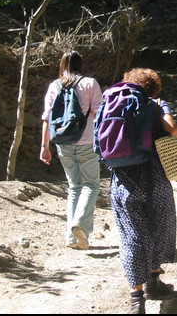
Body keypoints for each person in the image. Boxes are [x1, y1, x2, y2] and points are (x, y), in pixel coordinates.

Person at [108, 68, 177, 314]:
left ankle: (136, 299)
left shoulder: (113, 102)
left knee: (131, 235)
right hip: (154, 176)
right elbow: (172, 130)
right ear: (154, 87)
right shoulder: (156, 104)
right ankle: (154, 282)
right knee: (160, 227)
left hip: (123, 179)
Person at [40, 50, 103, 250]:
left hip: (63, 143)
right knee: (91, 185)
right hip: (86, 142)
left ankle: (71, 237)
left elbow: (47, 118)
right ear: (80, 64)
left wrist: (44, 146)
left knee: (74, 187)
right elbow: (99, 115)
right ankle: (81, 226)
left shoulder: (54, 86)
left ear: (61, 65)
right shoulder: (89, 83)